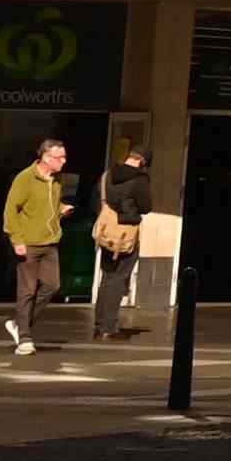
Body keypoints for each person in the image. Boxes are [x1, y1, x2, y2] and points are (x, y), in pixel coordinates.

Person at [0, 140, 72, 357]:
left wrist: (61, 210)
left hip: (50, 243)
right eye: (60, 157)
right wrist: (17, 240)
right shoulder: (25, 178)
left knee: (52, 286)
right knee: (27, 291)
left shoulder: (57, 180)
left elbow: (48, 206)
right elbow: (11, 210)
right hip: (28, 243)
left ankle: (19, 323)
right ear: (46, 158)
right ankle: (25, 338)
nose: (64, 161)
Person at [90, 142, 156, 340]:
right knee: (119, 279)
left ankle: (99, 325)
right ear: (143, 162)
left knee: (107, 277)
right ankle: (109, 328)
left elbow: (95, 199)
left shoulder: (107, 175)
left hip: (107, 232)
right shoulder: (140, 179)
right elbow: (146, 206)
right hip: (126, 234)